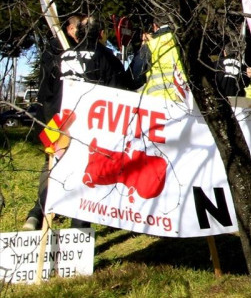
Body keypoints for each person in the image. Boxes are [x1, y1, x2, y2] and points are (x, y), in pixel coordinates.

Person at [25, 16, 125, 231]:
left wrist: (47, 120)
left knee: (52, 164)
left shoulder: (56, 54)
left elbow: (45, 91)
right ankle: (77, 224)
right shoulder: (102, 55)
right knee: (80, 166)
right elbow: (118, 90)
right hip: (85, 123)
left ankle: (37, 214)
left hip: (58, 119)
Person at [139, 20, 189, 103]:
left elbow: (137, 72)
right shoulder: (179, 39)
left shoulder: (152, 42)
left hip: (158, 97)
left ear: (155, 25)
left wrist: (144, 44)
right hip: (183, 95)